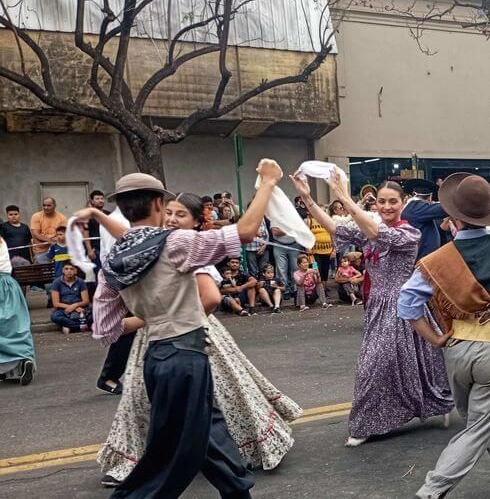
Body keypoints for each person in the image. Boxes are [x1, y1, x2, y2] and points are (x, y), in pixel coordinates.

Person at [89, 165, 285, 498]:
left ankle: (238, 492)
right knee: (172, 455)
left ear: (122, 208)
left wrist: (154, 315)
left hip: (158, 357)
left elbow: (106, 331)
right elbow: (247, 231)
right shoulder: (176, 244)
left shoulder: (113, 260)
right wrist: (267, 182)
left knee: (208, 430)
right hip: (184, 358)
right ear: (157, 204)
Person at [397, 138, 490, 499]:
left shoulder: (437, 260)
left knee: (480, 419)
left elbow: (407, 304)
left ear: (453, 217)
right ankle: (433, 489)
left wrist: (433, 338)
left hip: (457, 349)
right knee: (481, 424)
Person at [291, 172, 453, 447]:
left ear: (403, 203)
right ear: (375, 204)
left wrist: (344, 197)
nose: (387, 207)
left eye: (393, 202)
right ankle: (424, 406)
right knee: (406, 364)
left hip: (403, 304)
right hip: (377, 305)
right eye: (381, 202)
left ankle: (375, 421)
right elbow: (333, 226)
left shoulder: (408, 233)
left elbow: (378, 232)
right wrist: (307, 197)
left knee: (376, 365)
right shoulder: (368, 229)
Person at [0, 235, 35, 385]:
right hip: (8, 284)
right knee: (16, 325)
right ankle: (25, 359)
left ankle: (5, 368)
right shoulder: (1, 240)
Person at [403, 179, 450, 260]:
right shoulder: (415, 207)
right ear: (430, 197)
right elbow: (444, 208)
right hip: (421, 261)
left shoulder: (413, 207)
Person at [50, 261, 91, 334]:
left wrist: (75, 305)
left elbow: (86, 301)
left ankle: (70, 327)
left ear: (75, 271)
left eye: (71, 269)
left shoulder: (80, 282)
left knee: (94, 312)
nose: (69, 271)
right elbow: (56, 303)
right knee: (55, 317)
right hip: (64, 309)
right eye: (66, 269)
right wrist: (72, 307)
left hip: (80, 308)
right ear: (63, 270)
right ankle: (82, 327)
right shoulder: (56, 282)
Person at [306, 209, 334, 299]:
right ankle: (318, 290)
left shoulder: (326, 221)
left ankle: (324, 290)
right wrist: (308, 248)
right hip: (315, 252)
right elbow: (306, 234)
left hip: (327, 250)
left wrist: (334, 249)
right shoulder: (309, 221)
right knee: (317, 270)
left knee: (325, 270)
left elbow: (332, 234)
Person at [30, 197, 66, 263]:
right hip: (41, 250)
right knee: (45, 271)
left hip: (57, 248)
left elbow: (63, 233)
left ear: (55, 206)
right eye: (44, 205)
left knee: (59, 269)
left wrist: (56, 240)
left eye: (49, 205)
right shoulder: (36, 216)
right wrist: (50, 240)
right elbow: (35, 234)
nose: (46, 207)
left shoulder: (62, 217)